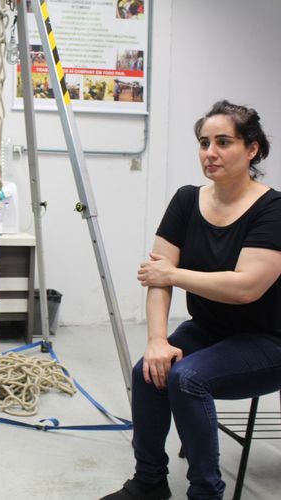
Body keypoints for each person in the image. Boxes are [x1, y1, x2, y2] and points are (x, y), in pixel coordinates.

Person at [101, 100, 281, 500]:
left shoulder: (273, 209)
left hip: (268, 341)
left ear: (251, 149)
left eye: (223, 142)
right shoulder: (186, 200)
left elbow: (246, 288)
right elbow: (157, 278)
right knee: (147, 371)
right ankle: (149, 482)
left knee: (188, 378)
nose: (210, 153)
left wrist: (173, 274)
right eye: (203, 143)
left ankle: (205, 493)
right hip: (210, 330)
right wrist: (156, 341)